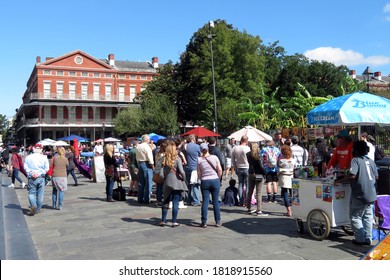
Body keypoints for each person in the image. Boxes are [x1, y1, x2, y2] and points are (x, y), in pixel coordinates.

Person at [335, 140, 378, 246]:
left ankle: (360, 239)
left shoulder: (355, 160)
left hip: (360, 194)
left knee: (355, 216)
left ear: (356, 150)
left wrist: (339, 180)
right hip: (371, 194)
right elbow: (376, 176)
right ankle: (368, 239)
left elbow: (352, 175)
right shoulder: (371, 161)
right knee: (368, 216)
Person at [159, 140, 187, 227]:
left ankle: (163, 220)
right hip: (177, 183)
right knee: (175, 202)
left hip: (167, 182)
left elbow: (160, 173)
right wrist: (184, 179)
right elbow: (182, 171)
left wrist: (164, 178)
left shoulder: (163, 159)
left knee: (165, 202)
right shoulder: (177, 159)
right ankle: (174, 221)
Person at [197, 143, 223, 227]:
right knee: (215, 202)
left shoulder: (199, 160)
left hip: (205, 181)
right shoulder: (214, 157)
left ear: (201, 150)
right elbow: (220, 170)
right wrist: (218, 178)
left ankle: (204, 221)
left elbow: (199, 173)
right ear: (208, 149)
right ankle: (218, 221)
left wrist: (201, 178)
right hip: (215, 180)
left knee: (205, 201)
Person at [23, 143, 50, 216]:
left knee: (31, 192)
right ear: (41, 149)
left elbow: (25, 167)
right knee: (40, 194)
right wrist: (39, 173)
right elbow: (46, 168)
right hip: (41, 177)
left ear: (34, 149)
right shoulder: (44, 157)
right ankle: (38, 208)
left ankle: (33, 204)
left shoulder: (28, 157)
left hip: (32, 177)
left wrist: (31, 173)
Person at [246, 142, 267, 216]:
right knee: (259, 193)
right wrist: (265, 173)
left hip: (251, 173)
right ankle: (259, 210)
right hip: (259, 174)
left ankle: (248, 207)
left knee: (250, 191)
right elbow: (261, 166)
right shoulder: (258, 155)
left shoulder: (248, 154)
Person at [182, 134, 201, 206]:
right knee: (195, 184)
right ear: (193, 139)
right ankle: (196, 201)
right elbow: (200, 155)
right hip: (195, 167)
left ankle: (188, 199)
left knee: (188, 185)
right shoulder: (197, 146)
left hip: (187, 167)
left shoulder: (185, 146)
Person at [231, 136, 251, 206]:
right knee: (248, 185)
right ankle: (246, 201)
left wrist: (235, 167)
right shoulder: (248, 148)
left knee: (240, 184)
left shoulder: (235, 148)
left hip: (239, 167)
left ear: (240, 140)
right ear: (247, 141)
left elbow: (233, 159)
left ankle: (241, 201)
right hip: (247, 167)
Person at [136, 134, 155, 204]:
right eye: (149, 139)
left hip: (140, 163)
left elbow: (136, 157)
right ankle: (147, 199)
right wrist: (152, 166)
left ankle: (140, 198)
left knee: (141, 183)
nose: (149, 141)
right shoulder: (147, 147)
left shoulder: (138, 146)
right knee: (148, 183)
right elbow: (150, 157)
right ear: (147, 140)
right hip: (146, 164)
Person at [278, 145, 296, 217]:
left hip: (284, 177)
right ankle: (295, 208)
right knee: (293, 193)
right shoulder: (293, 160)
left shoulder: (281, 161)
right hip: (291, 177)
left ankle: (289, 210)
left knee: (285, 193)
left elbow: (279, 169)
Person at [154, 140, 168, 206]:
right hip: (162, 172)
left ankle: (158, 200)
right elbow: (164, 164)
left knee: (158, 186)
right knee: (162, 187)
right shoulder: (164, 155)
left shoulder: (157, 154)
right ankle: (160, 200)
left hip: (156, 171)